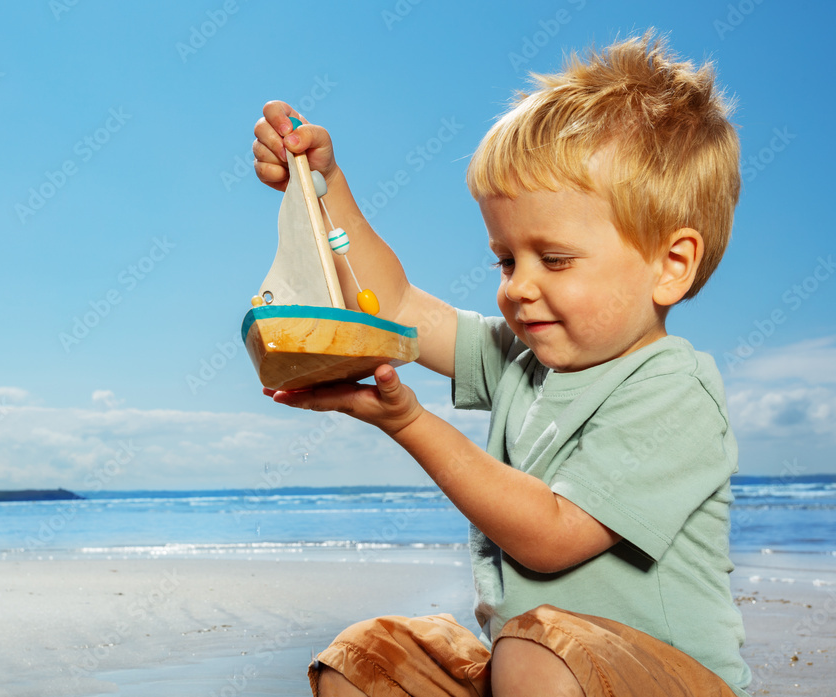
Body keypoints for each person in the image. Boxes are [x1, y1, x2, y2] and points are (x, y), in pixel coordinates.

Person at [252, 31, 751, 697]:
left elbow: (548, 535)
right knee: (362, 661)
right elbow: (396, 304)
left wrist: (408, 423)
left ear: (671, 265)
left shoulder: (674, 390)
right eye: (506, 259)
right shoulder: (523, 357)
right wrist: (325, 189)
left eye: (555, 259)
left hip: (662, 681)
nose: (518, 286)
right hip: (528, 669)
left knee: (537, 647)